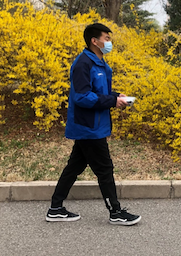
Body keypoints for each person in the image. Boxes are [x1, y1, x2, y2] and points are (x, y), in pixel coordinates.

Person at [46, 23, 141, 226]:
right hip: (88, 127)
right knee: (105, 168)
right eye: (106, 38)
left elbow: (99, 92)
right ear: (94, 41)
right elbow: (81, 97)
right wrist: (111, 101)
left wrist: (116, 96)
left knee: (74, 167)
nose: (109, 42)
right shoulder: (83, 64)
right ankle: (115, 212)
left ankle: (55, 208)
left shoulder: (100, 63)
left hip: (95, 125)